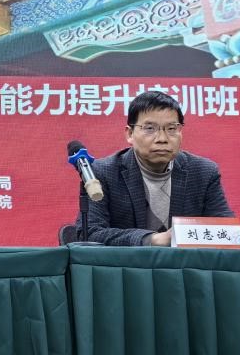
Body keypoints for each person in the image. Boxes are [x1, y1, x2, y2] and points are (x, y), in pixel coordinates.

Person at [82, 90, 231, 246]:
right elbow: (90, 233)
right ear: (130, 134)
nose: (162, 139)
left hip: (185, 262)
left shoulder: (204, 172)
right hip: (127, 262)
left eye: (171, 129)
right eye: (150, 128)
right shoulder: (103, 172)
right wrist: (153, 239)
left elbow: (226, 233)